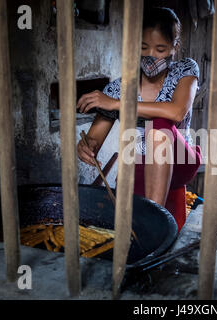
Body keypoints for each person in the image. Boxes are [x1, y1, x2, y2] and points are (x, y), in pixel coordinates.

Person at [76, 7, 201, 230]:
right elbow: (94, 139)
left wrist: (116, 104)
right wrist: (86, 147)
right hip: (140, 166)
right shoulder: (119, 88)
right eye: (144, 47)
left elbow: (177, 112)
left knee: (159, 126)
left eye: (160, 49)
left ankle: (155, 225)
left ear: (175, 47)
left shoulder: (185, 70)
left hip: (181, 160)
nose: (151, 55)